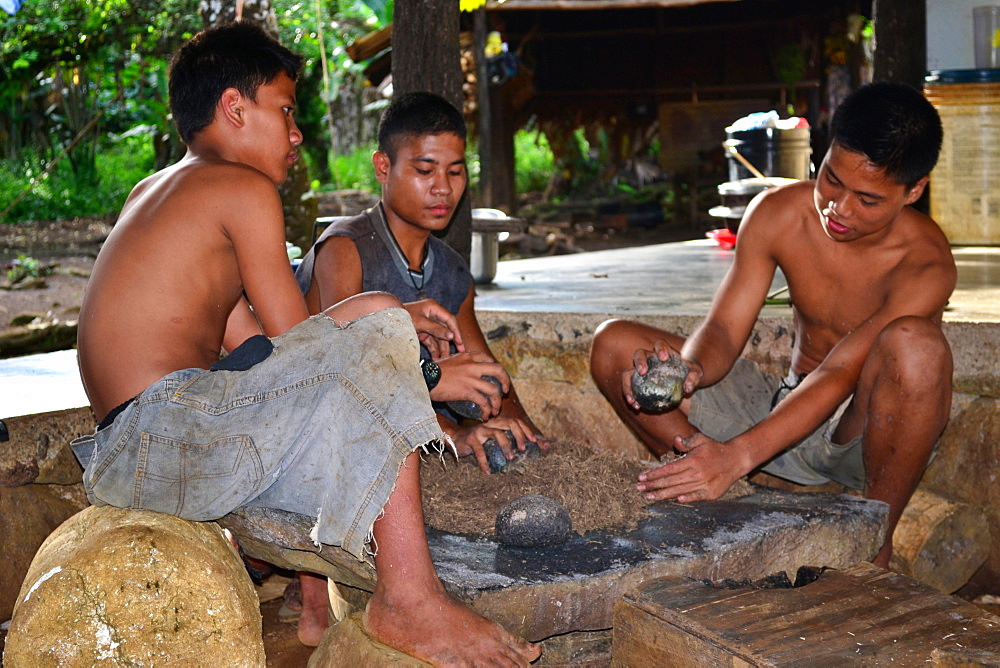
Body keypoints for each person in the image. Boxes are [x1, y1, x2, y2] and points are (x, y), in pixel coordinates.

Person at [70, 22, 540, 666]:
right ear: (235, 108)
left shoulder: (156, 191)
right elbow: (304, 344)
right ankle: (409, 598)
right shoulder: (243, 187)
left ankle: (318, 600)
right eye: (286, 112)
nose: (296, 135)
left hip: (135, 447)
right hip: (165, 429)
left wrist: (391, 327)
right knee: (375, 317)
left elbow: (258, 350)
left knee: (377, 320)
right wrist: (421, 368)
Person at [590, 81, 955, 570]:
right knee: (613, 343)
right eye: (832, 180)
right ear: (822, 156)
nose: (838, 208)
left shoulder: (927, 263)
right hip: (780, 406)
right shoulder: (778, 213)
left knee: (918, 346)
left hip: (859, 432)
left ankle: (875, 534)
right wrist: (688, 368)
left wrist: (739, 454)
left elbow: (840, 372)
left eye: (867, 200)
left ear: (914, 190)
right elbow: (722, 330)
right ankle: (720, 490)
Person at [296, 91, 548, 471]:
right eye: (425, 171)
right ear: (383, 167)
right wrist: (452, 433)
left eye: (456, 171)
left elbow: (486, 371)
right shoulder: (346, 250)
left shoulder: (452, 271)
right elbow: (342, 370)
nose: (443, 188)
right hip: (329, 441)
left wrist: (529, 435)